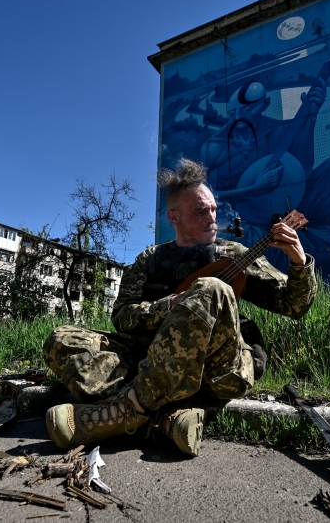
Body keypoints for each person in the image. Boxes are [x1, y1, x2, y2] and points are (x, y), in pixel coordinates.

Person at [43, 159, 316, 456]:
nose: (212, 218)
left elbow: (294, 305)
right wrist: (169, 305)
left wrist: (299, 263)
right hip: (150, 359)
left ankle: (128, 410)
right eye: (201, 211)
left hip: (219, 369)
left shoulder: (233, 254)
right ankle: (165, 419)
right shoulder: (150, 259)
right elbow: (122, 318)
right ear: (175, 217)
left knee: (211, 287)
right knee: (62, 341)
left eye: (213, 209)